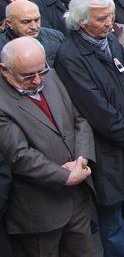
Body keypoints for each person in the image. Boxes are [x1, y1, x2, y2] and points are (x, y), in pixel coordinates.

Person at [54, 0, 124, 257]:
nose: (110, 22)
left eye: (110, 15)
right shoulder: (69, 56)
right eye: (101, 19)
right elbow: (96, 109)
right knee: (112, 214)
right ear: (82, 21)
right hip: (107, 147)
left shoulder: (111, 41)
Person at [0, 37, 95, 256]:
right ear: (5, 70)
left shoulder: (49, 75)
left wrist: (81, 159)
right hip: (39, 210)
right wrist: (65, 176)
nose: (37, 81)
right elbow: (19, 155)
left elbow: (79, 119)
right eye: (27, 76)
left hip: (77, 199)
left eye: (40, 72)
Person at [0, 0, 64, 66]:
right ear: (9, 23)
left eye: (37, 20)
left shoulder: (56, 37)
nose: (34, 27)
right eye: (26, 22)